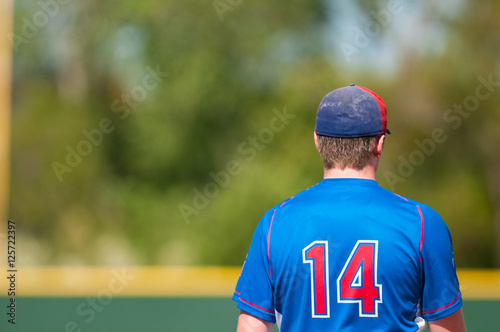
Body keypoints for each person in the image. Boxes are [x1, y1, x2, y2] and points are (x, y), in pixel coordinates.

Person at [232, 84, 466, 331]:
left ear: (317, 141)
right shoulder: (422, 223)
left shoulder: (274, 223)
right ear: (379, 143)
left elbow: (251, 324)